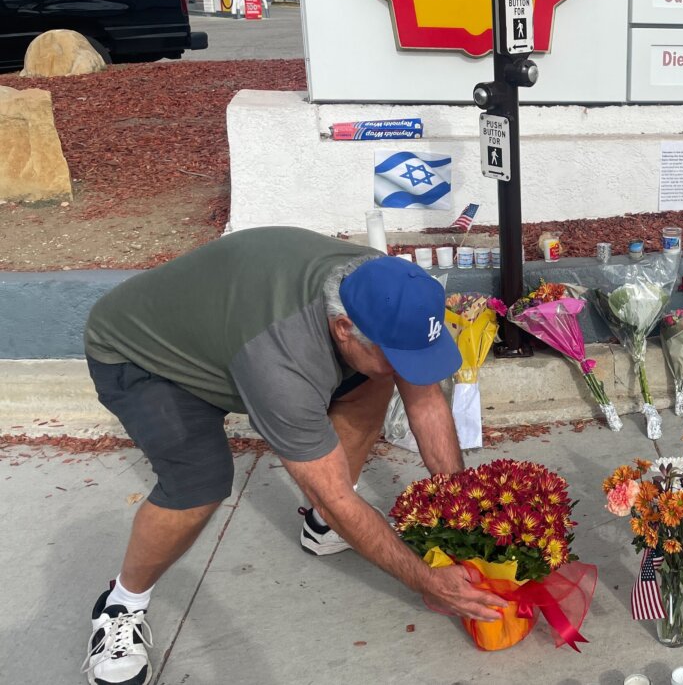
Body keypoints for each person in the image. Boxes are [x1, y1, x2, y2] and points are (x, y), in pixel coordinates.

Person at [79, 227, 506, 685]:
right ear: (344, 329)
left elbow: (423, 401)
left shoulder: (382, 287)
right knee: (197, 483)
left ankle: (322, 533)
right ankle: (122, 604)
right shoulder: (281, 365)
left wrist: (465, 508)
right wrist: (425, 580)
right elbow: (333, 497)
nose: (410, 371)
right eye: (399, 355)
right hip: (145, 355)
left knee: (375, 376)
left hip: (230, 328)